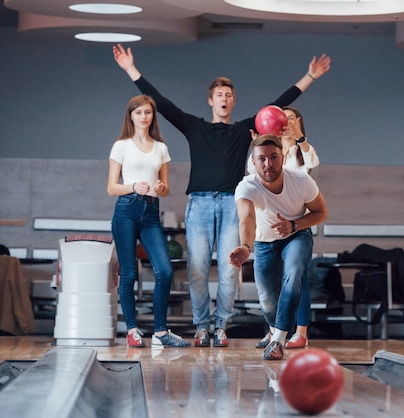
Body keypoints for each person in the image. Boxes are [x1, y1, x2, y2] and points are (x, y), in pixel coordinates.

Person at [113, 44, 331, 348]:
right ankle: (203, 327)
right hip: (199, 203)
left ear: (233, 101)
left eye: (229, 95)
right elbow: (160, 102)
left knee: (231, 268)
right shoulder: (194, 126)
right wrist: (130, 69)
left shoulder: (244, 130)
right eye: (219, 95)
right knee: (198, 268)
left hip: (232, 203)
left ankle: (221, 326)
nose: (224, 99)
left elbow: (279, 103)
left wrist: (310, 76)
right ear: (210, 101)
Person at [229, 134, 328, 360]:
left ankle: (277, 340)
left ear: (282, 158)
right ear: (253, 163)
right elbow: (246, 219)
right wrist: (245, 246)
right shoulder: (247, 186)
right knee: (266, 298)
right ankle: (277, 330)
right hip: (264, 242)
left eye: (273, 157)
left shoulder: (302, 181)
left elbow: (321, 212)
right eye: (261, 159)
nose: (268, 164)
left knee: (293, 273)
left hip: (297, 234)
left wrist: (293, 224)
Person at [107, 95, 190, 349]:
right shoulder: (121, 145)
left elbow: (164, 189)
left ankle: (160, 332)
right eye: (139, 112)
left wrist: (161, 186)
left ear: (153, 116)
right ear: (130, 116)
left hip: (152, 211)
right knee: (129, 272)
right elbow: (111, 188)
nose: (144, 117)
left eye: (148, 113)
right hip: (126, 209)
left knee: (164, 270)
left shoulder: (161, 148)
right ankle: (132, 330)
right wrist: (133, 185)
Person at [249, 106, 319, 350]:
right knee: (271, 286)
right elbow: (252, 175)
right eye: (282, 119)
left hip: (297, 225)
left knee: (297, 276)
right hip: (269, 228)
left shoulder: (301, 152)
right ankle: (274, 332)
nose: (284, 123)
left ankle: (300, 332)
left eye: (290, 119)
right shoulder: (270, 152)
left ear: (298, 122)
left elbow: (313, 161)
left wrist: (300, 137)